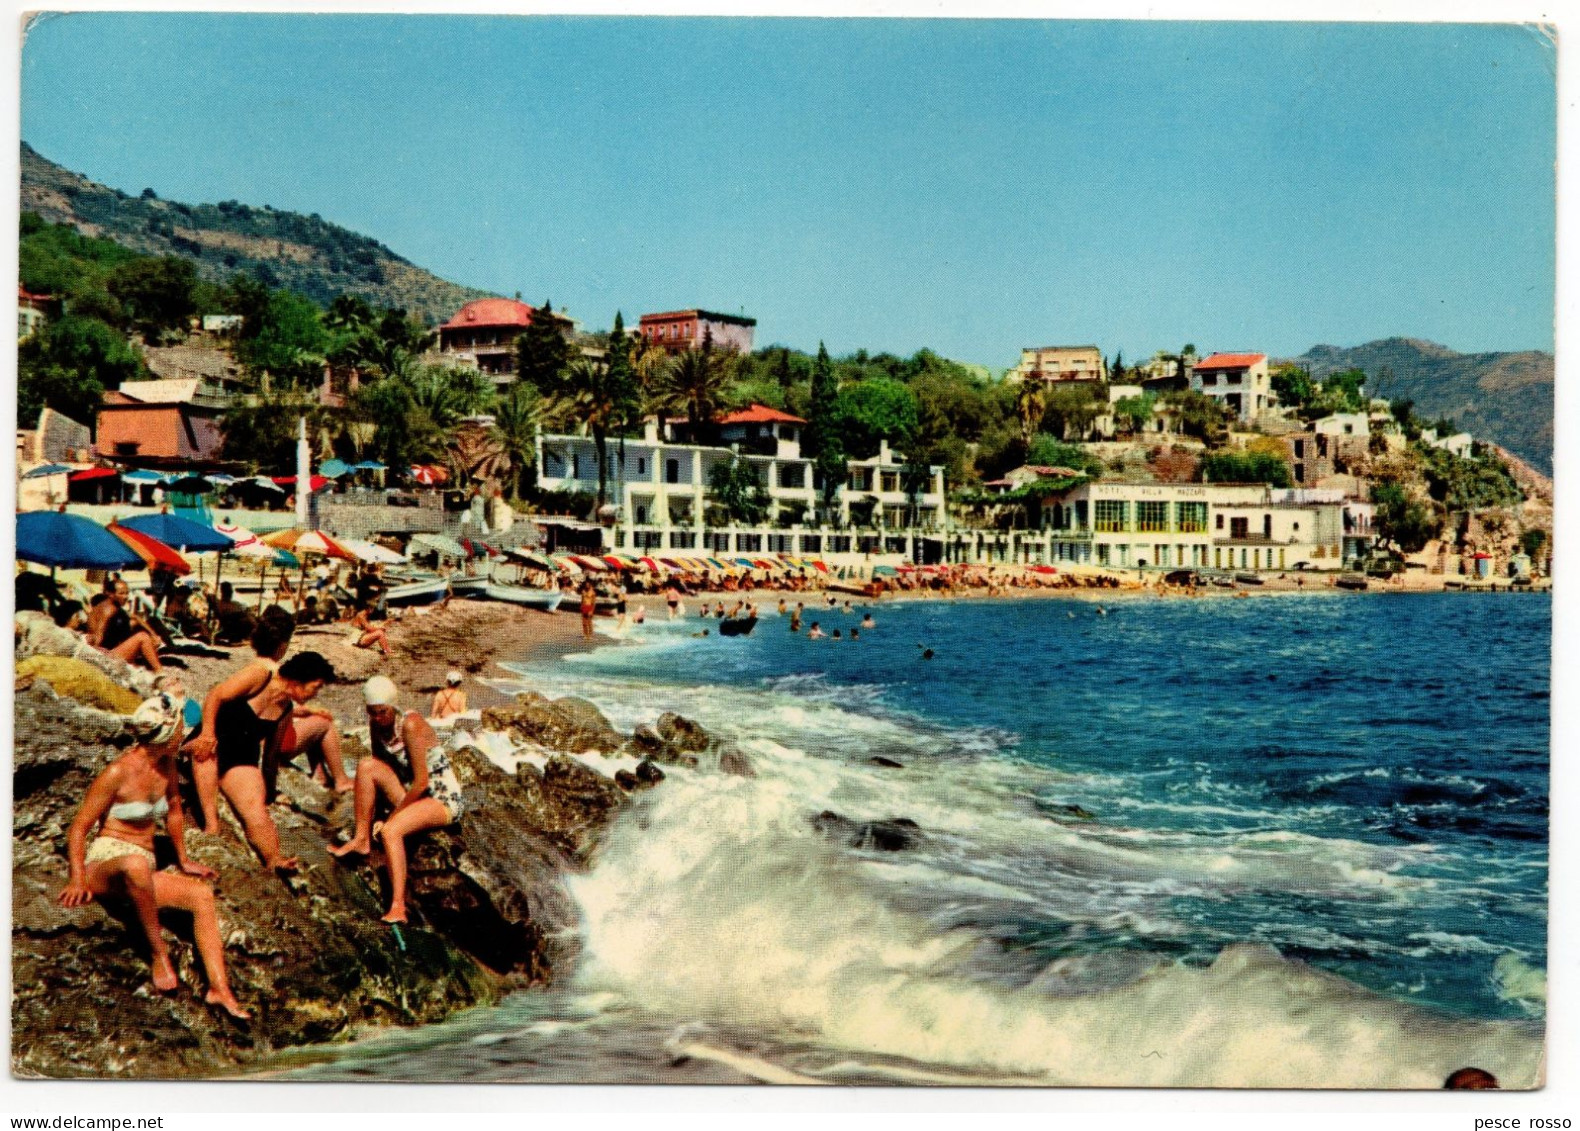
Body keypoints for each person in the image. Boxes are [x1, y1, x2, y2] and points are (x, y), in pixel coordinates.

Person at [57, 693, 250, 1018]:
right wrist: (77, 878)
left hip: (143, 870)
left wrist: (183, 858)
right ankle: (158, 953)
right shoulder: (118, 772)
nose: (184, 735)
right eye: (180, 730)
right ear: (167, 733)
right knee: (134, 865)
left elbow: (174, 810)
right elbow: (79, 828)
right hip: (108, 864)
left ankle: (220, 988)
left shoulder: (167, 765)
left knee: (201, 895)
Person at [330, 676, 464, 924]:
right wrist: (376, 816)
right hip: (410, 790)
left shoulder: (410, 725)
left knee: (392, 831)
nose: (378, 718)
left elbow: (422, 782)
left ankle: (398, 906)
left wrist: (390, 818)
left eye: (382, 712)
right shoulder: (375, 725)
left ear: (393, 706)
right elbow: (381, 768)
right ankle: (361, 839)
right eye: (372, 713)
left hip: (440, 795)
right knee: (366, 766)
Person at [199, 651, 338, 871]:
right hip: (212, 737)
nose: (316, 693)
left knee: (255, 807)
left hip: (241, 755)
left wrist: (270, 790)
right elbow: (215, 695)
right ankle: (211, 824)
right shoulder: (260, 677)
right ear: (298, 679)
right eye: (317, 685)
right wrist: (206, 733)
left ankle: (274, 858)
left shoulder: (286, 711)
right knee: (204, 753)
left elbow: (271, 756)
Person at [86, 578, 163, 671]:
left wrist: (153, 634)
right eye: (121, 593)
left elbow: (135, 618)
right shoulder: (108, 610)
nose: (126, 596)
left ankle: (146, 662)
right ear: (110, 594)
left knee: (138, 624)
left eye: (127, 593)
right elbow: (97, 637)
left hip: (111, 651)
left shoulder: (112, 606)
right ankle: (159, 671)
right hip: (106, 658)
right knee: (142, 637)